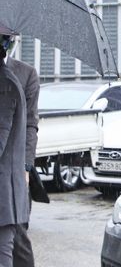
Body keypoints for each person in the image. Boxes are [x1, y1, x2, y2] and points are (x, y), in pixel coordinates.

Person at [0, 34, 39, 267]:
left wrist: (25, 167)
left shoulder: (23, 74)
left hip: (12, 173)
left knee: (16, 235)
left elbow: (30, 125)